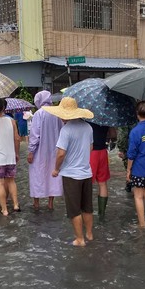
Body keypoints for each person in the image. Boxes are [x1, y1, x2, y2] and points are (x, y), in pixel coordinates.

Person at [45, 97, 94, 247]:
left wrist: (56, 169)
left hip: (71, 175)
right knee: (87, 206)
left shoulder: (66, 130)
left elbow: (61, 154)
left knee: (74, 209)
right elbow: (90, 148)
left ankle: (80, 239)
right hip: (86, 173)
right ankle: (89, 234)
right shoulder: (88, 127)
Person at [27, 90, 63, 211]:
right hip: (54, 150)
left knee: (37, 174)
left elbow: (34, 135)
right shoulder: (57, 114)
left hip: (39, 151)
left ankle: (36, 203)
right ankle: (50, 203)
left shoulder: (39, 114)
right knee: (52, 174)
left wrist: (31, 151)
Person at [88, 122, 116, 220]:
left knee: (87, 183)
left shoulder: (87, 117)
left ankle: (86, 212)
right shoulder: (106, 118)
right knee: (102, 183)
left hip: (91, 152)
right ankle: (102, 214)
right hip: (103, 152)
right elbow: (113, 135)